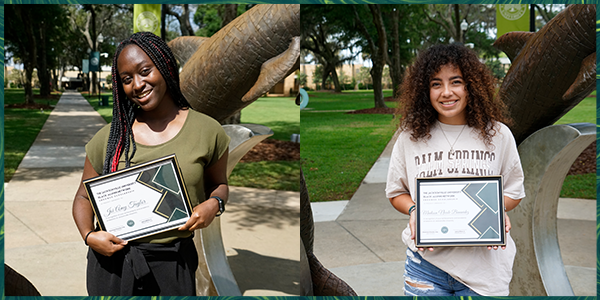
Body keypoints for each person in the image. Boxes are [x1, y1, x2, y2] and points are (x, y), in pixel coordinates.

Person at [72, 32, 230, 296]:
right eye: (126, 79)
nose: (137, 84)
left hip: (174, 263)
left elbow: (220, 184)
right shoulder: (110, 138)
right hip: (113, 266)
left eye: (145, 71)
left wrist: (214, 205)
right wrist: (89, 236)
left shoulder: (207, 131)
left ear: (165, 66)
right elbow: (82, 197)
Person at [385, 44, 525, 296]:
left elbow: (514, 192)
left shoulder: (499, 135)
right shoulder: (410, 137)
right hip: (425, 267)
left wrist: (496, 209)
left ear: (471, 85)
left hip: (485, 269)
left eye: (456, 82)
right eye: (436, 84)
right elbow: (396, 193)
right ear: (424, 90)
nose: (446, 92)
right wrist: (415, 210)